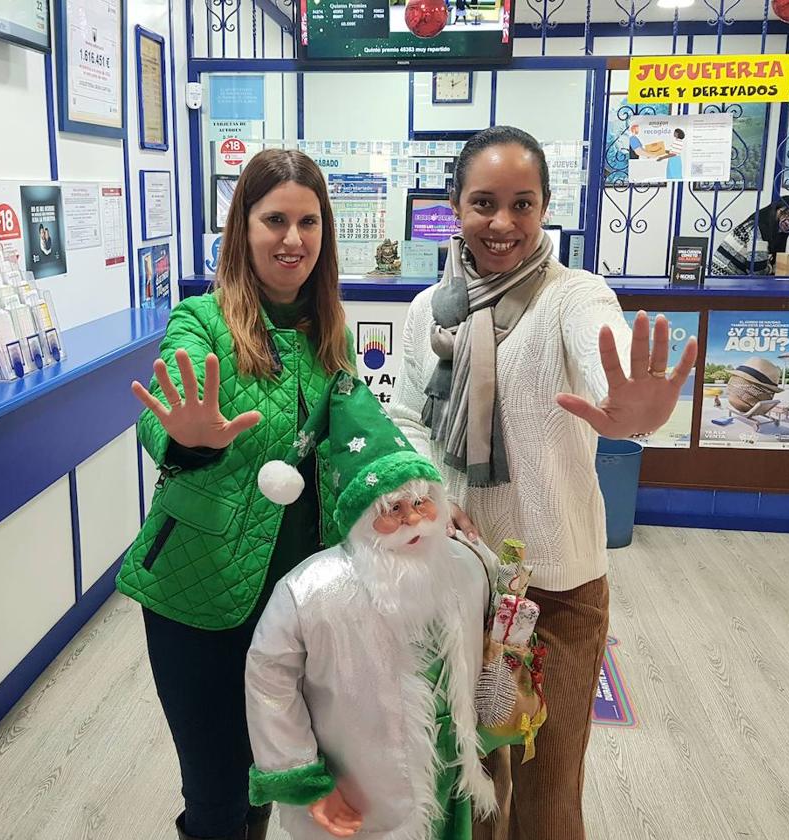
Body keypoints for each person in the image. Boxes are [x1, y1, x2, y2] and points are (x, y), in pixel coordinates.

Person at [390, 125, 697, 840]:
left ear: (546, 208)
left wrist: (631, 411)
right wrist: (427, 496)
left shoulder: (573, 297)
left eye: (522, 204)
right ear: (454, 205)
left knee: (549, 794)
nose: (503, 224)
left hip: (555, 594)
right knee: (467, 784)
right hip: (454, 581)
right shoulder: (427, 313)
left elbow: (605, 351)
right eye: (484, 203)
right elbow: (407, 418)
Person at [115, 148, 356, 840]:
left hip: (296, 601)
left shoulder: (326, 333)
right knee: (218, 798)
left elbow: (353, 435)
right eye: (274, 219)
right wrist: (191, 439)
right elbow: (163, 407)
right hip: (200, 598)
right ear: (242, 227)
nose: (293, 239)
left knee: (263, 778)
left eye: (308, 222)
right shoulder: (203, 318)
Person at [246, 372, 496, 840]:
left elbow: (485, 643)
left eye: (423, 502)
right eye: (393, 510)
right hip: (360, 787)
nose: (414, 520)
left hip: (451, 773)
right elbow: (269, 678)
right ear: (361, 519)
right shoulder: (310, 589)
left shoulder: (465, 566)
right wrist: (303, 778)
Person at [711, 196, 789, 275]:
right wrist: (773, 269)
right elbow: (757, 272)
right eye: (786, 213)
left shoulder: (766, 227)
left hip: (723, 278)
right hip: (721, 279)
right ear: (775, 210)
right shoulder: (757, 228)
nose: (788, 220)